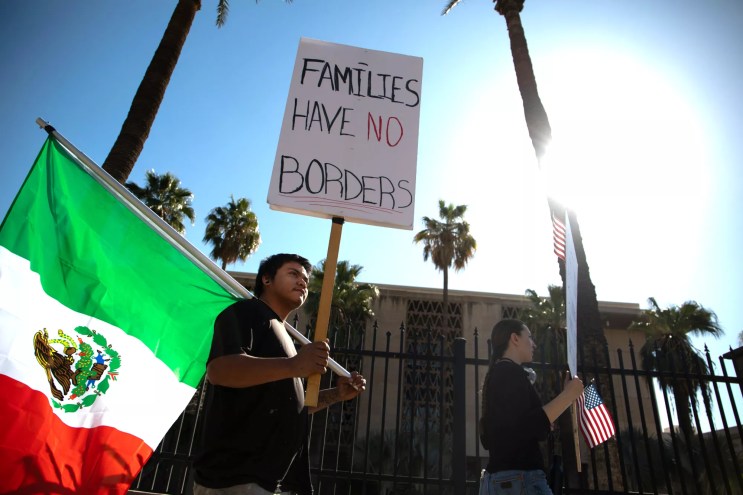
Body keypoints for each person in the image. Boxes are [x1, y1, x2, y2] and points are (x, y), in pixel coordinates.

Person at [193, 253, 366, 495]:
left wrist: (337, 394)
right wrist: (294, 366)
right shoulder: (246, 312)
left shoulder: (285, 335)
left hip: (272, 483)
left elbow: (291, 405)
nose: (303, 282)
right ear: (266, 279)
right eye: (293, 274)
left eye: (305, 278)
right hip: (234, 480)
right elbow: (220, 370)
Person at [479, 319, 583, 495]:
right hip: (519, 480)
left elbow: (519, 428)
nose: (534, 344)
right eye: (529, 337)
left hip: (507, 480)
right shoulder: (509, 372)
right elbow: (530, 424)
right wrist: (568, 396)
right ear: (515, 339)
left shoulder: (500, 374)